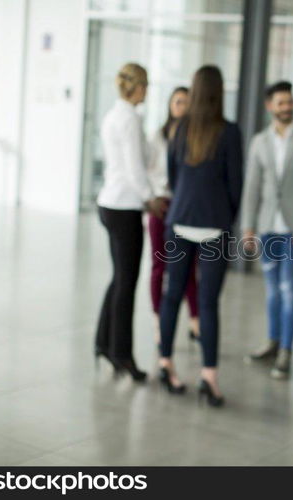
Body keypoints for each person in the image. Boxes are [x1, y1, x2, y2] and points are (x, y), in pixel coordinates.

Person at [158, 65, 243, 404]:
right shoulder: (230, 132)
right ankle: (209, 377)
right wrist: (228, 218)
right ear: (220, 92)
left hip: (179, 222)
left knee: (171, 295)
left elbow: (173, 177)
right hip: (213, 226)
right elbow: (236, 184)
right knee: (207, 302)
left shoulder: (179, 130)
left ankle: (165, 363)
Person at [241, 81, 293, 379]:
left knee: (289, 289)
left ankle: (287, 350)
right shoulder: (259, 142)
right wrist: (248, 226)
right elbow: (251, 187)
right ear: (270, 106)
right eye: (281, 102)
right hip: (266, 229)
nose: (287, 107)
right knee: (272, 290)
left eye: (290, 102)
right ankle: (273, 342)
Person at [95, 62, 166, 382]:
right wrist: (150, 198)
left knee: (119, 278)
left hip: (110, 203)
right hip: (124, 206)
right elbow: (136, 168)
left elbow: (139, 160)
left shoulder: (115, 115)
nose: (148, 90)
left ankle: (103, 343)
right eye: (146, 84)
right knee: (127, 282)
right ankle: (122, 354)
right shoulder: (130, 119)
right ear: (135, 87)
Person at [146, 86, 201, 348]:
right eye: (178, 102)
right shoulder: (158, 136)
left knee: (188, 267)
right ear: (170, 105)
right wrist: (150, 199)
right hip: (162, 204)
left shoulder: (197, 137)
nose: (183, 107)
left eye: (187, 103)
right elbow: (146, 170)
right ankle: (158, 320)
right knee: (160, 264)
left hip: (186, 207)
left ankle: (195, 320)